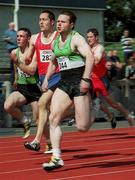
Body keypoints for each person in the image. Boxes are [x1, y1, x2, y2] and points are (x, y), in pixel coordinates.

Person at [42, 10, 94, 170]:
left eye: (63, 22)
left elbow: (90, 57)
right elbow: (53, 62)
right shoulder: (55, 42)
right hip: (65, 82)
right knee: (53, 118)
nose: (59, 24)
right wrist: (46, 79)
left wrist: (86, 79)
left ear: (71, 25)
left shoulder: (76, 38)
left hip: (79, 81)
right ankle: (56, 157)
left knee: (82, 127)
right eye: (58, 21)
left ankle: (93, 107)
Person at [14, 10, 61, 153]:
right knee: (51, 114)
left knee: (42, 104)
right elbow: (31, 64)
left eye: (44, 19)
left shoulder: (58, 37)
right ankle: (52, 143)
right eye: (39, 19)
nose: (41, 22)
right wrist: (20, 62)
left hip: (58, 76)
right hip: (43, 78)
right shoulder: (35, 38)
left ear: (52, 22)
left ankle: (36, 141)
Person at [86, 28, 135, 127]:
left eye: (91, 37)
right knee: (92, 101)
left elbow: (98, 57)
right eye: (87, 37)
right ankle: (110, 115)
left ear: (96, 37)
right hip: (91, 79)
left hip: (101, 80)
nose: (89, 39)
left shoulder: (99, 47)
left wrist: (93, 58)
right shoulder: (87, 48)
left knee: (112, 103)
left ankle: (127, 115)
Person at [4, 27, 41, 138]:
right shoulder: (15, 52)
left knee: (38, 120)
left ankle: (48, 143)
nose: (19, 38)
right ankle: (25, 121)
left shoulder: (33, 53)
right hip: (22, 88)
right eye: (17, 36)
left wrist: (17, 62)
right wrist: (16, 78)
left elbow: (31, 71)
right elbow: (15, 66)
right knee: (8, 106)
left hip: (35, 89)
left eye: (22, 36)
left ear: (28, 39)